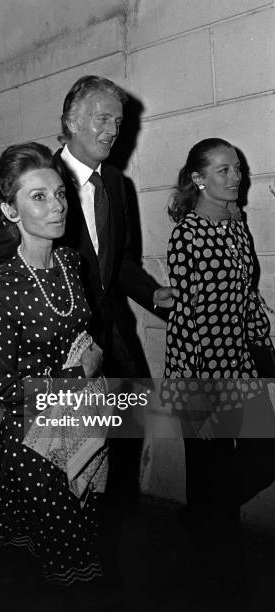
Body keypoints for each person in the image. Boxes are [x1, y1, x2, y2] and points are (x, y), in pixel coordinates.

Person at [0, 75, 177, 378]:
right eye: (103, 119)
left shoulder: (115, 183)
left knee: (136, 421)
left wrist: (151, 293)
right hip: (61, 351)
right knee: (74, 426)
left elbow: (115, 263)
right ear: (72, 122)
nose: (113, 131)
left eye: (118, 121)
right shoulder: (39, 181)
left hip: (115, 335)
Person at [0, 142, 106, 588]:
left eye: (59, 193)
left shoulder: (70, 262)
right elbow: (6, 390)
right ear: (10, 212)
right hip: (34, 436)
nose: (57, 206)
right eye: (38, 197)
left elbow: (79, 332)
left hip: (81, 423)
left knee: (84, 531)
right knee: (70, 563)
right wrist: (78, 374)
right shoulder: (2, 288)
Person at [164, 138, 275, 536]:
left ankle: (202, 516)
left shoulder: (236, 225)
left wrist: (261, 345)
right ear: (199, 179)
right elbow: (186, 315)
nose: (235, 177)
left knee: (263, 455)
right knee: (207, 467)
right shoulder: (187, 235)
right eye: (223, 170)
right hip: (200, 368)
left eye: (237, 169)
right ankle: (207, 552)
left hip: (240, 362)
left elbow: (247, 296)